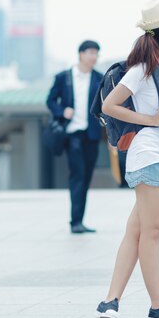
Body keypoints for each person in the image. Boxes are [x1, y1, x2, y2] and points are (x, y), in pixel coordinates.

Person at [96, 0, 159, 318]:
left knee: (136, 231)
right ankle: (157, 306)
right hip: (149, 154)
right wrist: (150, 120)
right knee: (152, 231)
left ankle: (110, 301)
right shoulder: (143, 68)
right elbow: (110, 105)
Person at [46, 40, 104, 234]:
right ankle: (75, 222)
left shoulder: (99, 78)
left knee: (86, 177)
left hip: (92, 136)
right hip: (72, 135)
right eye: (90, 53)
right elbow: (50, 100)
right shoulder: (64, 77)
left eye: (96, 53)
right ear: (80, 54)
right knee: (78, 176)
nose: (94, 57)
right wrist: (63, 111)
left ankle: (79, 220)